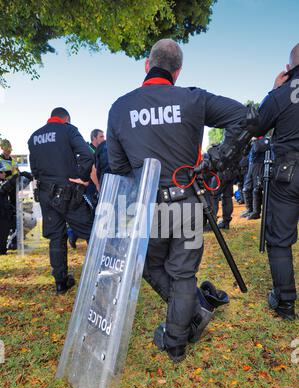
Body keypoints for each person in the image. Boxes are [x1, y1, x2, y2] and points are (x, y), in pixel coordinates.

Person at [107, 39, 249, 363]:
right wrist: (217, 158)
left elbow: (117, 169)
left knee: (151, 265)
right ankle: (183, 329)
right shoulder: (192, 98)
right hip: (187, 202)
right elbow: (244, 116)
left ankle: (181, 329)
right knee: (182, 274)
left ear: (147, 65)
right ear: (178, 71)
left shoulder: (120, 107)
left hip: (150, 206)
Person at [28, 107, 94, 294]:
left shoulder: (34, 137)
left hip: (45, 194)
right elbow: (88, 155)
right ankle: (101, 274)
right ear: (67, 119)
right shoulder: (68, 130)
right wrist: (83, 177)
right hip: (68, 192)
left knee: (56, 237)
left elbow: (34, 168)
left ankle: (60, 282)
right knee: (91, 231)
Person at [254, 43, 299, 321]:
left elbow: (257, 126)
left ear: (288, 68)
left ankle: (285, 304)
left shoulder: (282, 94)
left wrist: (273, 89)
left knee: (280, 241)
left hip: (288, 173)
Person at [0, 140, 18, 254]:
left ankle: (13, 238)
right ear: (2, 149)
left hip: (11, 189)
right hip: (2, 190)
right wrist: (9, 173)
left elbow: (16, 173)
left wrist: (9, 174)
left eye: (9, 150)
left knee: (12, 214)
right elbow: (1, 175)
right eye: (6, 150)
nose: (8, 152)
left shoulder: (12, 161)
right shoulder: (0, 159)